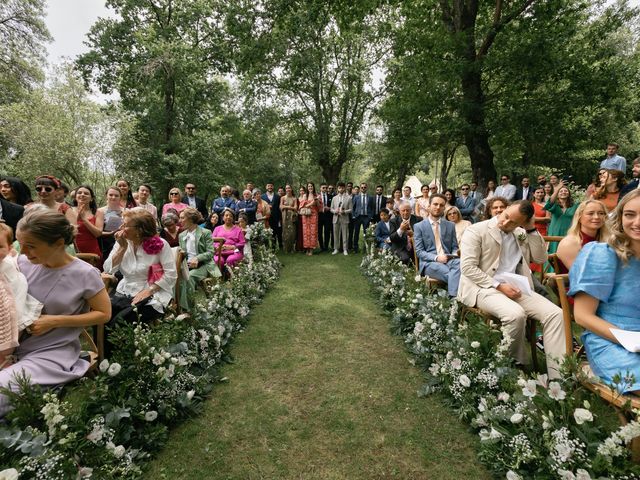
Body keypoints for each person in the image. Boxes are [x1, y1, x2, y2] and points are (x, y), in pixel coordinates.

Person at [1, 210, 110, 417]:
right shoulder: (21, 264)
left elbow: (104, 313)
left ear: (59, 243)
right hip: (9, 345)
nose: (22, 251)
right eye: (19, 243)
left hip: (51, 352)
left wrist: (54, 321)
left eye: (30, 246)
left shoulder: (85, 274)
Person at [457, 201, 566, 378]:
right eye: (506, 216)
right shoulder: (476, 230)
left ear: (523, 222)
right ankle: (511, 365)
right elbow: (468, 268)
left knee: (556, 314)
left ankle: (558, 375)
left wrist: (530, 230)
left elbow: (539, 259)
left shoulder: (522, 233)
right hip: (483, 287)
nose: (506, 223)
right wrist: (499, 286)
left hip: (516, 287)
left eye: (514, 222)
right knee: (516, 315)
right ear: (505, 209)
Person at [568, 190, 640, 393]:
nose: (637, 222)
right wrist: (631, 339)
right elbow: (582, 316)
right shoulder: (602, 254)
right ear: (620, 217)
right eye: (630, 214)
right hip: (611, 340)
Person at [104, 209, 177, 324]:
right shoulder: (121, 242)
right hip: (125, 290)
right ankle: (100, 343)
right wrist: (122, 248)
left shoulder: (160, 244)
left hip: (153, 292)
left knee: (120, 322)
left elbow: (171, 274)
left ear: (139, 230)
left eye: (126, 225)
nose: (121, 227)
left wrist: (149, 291)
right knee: (104, 316)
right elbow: (108, 269)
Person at [0, 223, 42, 369]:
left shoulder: (10, 264)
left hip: (11, 312)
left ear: (9, 247)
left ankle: (6, 362)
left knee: (7, 342)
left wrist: (13, 255)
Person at [415, 194, 461, 297]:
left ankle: (452, 299)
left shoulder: (450, 225)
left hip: (449, 259)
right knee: (453, 274)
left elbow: (455, 246)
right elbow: (419, 251)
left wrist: (453, 255)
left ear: (444, 208)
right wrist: (436, 258)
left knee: (461, 264)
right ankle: (454, 300)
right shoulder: (419, 226)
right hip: (430, 262)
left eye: (441, 205)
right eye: (435, 204)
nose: (438, 207)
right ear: (429, 206)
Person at [178, 207, 221, 310]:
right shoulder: (181, 235)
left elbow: (210, 253)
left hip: (204, 265)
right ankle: (176, 309)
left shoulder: (205, 232)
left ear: (191, 219)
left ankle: (188, 310)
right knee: (174, 278)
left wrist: (197, 258)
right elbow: (182, 254)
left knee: (189, 278)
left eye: (182, 218)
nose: (180, 221)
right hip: (187, 266)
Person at [556, 200, 608, 274]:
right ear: (579, 217)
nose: (597, 217)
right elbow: (583, 275)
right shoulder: (570, 243)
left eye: (601, 213)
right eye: (590, 213)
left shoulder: (607, 240)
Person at [73, 185, 104, 269]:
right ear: (75, 197)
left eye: (86, 193)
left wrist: (84, 219)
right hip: (73, 250)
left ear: (91, 198)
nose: (82, 195)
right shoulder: (69, 210)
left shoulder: (98, 213)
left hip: (92, 250)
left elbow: (98, 233)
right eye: (79, 193)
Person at [544, 182, 579, 254]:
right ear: (557, 194)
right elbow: (549, 204)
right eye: (561, 191)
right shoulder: (555, 206)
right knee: (553, 253)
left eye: (565, 191)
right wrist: (557, 189)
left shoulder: (574, 206)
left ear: (569, 194)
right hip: (555, 232)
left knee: (567, 253)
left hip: (569, 232)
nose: (563, 192)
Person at [98, 187, 125, 259]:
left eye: (116, 195)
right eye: (111, 195)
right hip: (105, 245)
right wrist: (110, 233)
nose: (113, 197)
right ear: (106, 196)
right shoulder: (100, 211)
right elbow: (97, 231)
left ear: (120, 197)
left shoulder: (126, 211)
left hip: (122, 243)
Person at [298, 183, 320, 256]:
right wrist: (311, 203)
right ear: (307, 188)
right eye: (309, 186)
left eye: (311, 186)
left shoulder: (316, 195)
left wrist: (316, 201)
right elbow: (301, 206)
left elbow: (319, 206)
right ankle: (307, 248)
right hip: (306, 215)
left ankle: (311, 249)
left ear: (313, 187)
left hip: (314, 215)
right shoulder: (305, 195)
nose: (310, 187)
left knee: (312, 232)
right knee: (306, 233)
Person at [331, 182, 352, 255]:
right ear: (337, 188)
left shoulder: (349, 198)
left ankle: (345, 249)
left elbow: (351, 209)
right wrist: (335, 211)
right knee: (335, 234)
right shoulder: (334, 198)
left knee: (345, 234)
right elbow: (331, 208)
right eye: (339, 188)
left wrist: (344, 211)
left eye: (342, 187)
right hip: (336, 218)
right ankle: (336, 249)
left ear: (345, 188)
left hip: (344, 218)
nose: (341, 189)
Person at [352, 182, 374, 254]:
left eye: (364, 187)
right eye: (362, 187)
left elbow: (372, 208)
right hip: (358, 217)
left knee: (366, 233)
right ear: (360, 188)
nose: (363, 188)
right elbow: (353, 207)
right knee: (356, 233)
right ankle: (355, 248)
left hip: (366, 217)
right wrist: (353, 215)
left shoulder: (370, 197)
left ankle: (365, 248)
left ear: (366, 188)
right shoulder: (356, 197)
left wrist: (370, 216)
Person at [262, 183, 282, 248]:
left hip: (275, 217)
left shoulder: (277, 196)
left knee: (275, 232)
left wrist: (279, 218)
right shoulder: (262, 196)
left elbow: (279, 208)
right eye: (268, 186)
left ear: (273, 187)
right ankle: (266, 247)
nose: (270, 187)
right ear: (266, 187)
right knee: (266, 232)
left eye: (271, 186)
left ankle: (274, 247)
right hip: (266, 217)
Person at [280, 184, 298, 253]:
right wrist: (290, 207)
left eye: (289, 188)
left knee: (292, 232)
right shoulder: (283, 198)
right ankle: (286, 248)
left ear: (291, 189)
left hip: (292, 216)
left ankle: (292, 248)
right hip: (284, 216)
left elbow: (296, 208)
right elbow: (281, 207)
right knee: (285, 232)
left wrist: (286, 207)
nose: (288, 189)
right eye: (286, 188)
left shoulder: (294, 198)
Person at [318, 183, 333, 252]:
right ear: (320, 188)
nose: (325, 189)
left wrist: (329, 208)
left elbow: (333, 207)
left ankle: (326, 247)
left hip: (328, 216)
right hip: (319, 216)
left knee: (327, 231)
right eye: (323, 187)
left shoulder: (331, 196)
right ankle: (321, 247)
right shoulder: (317, 196)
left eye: (326, 188)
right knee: (319, 232)